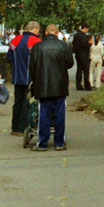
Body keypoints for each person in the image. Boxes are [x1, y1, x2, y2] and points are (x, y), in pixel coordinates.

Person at [29, 23, 74, 151]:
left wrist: (35, 81)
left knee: (43, 113)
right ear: (57, 32)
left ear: (46, 33)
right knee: (60, 114)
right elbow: (70, 64)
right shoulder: (64, 46)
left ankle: (42, 143)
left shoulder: (37, 47)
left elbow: (32, 68)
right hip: (60, 85)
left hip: (42, 85)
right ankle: (59, 142)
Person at [7, 20, 41, 136]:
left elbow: (9, 57)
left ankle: (14, 127)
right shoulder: (36, 41)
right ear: (35, 29)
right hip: (30, 78)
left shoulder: (15, 39)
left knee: (17, 102)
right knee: (27, 103)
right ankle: (22, 128)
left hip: (17, 76)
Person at [71, 23, 91, 91]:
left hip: (78, 54)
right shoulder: (83, 36)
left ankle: (78, 85)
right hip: (84, 54)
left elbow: (73, 44)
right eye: (87, 29)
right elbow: (85, 44)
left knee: (79, 70)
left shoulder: (76, 35)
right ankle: (87, 85)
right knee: (86, 70)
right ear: (85, 28)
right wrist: (89, 44)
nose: (87, 30)